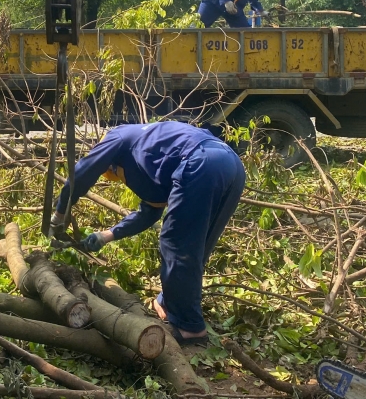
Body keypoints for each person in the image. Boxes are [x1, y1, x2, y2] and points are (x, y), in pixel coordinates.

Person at [49, 122, 246, 346]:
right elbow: (149, 213)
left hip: (200, 161)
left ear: (114, 165)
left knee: (175, 242)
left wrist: (60, 211)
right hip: (231, 164)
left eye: (117, 174)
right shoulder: (151, 157)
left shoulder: (118, 138)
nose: (122, 179)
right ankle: (170, 304)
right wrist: (106, 235)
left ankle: (190, 329)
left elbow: (84, 171)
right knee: (196, 245)